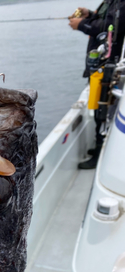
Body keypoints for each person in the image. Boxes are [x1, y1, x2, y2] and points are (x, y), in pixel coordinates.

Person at [69, 2, 125, 169]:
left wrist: (83, 24)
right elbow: (107, 20)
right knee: (99, 108)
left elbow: (113, 27)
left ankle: (102, 152)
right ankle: (100, 147)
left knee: (105, 111)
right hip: (102, 68)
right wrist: (91, 14)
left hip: (111, 69)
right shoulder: (114, 2)